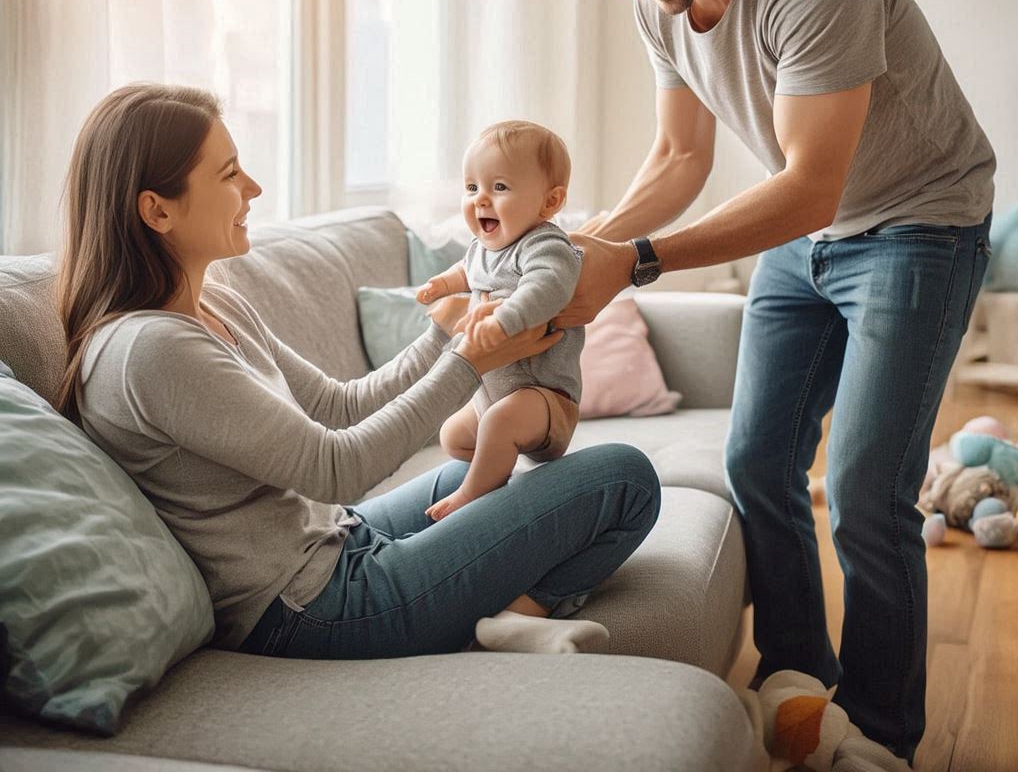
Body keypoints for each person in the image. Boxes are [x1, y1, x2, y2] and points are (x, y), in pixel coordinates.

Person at [543, 0, 995, 761]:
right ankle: (799, 679)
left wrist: (641, 265)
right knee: (757, 461)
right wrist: (585, 247)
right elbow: (677, 158)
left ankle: (880, 735)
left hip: (918, 221)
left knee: (870, 488)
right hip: (811, 231)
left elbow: (808, 187)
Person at [57, 83, 660, 660]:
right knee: (625, 478)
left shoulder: (216, 305)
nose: (256, 187)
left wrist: (445, 332)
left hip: (335, 539)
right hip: (310, 606)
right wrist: (470, 361)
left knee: (472, 471)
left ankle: (508, 617)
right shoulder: (150, 351)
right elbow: (333, 467)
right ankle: (513, 615)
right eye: (229, 174)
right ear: (157, 211)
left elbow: (340, 406)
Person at [416, 120, 584, 521]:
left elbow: (547, 288)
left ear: (549, 202)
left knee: (501, 422)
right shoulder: (482, 248)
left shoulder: (547, 245)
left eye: (499, 188)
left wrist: (502, 321)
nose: (480, 200)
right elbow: (468, 270)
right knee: (452, 436)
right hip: (490, 395)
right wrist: (442, 283)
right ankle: (499, 475)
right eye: (472, 187)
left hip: (542, 399)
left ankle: (472, 495)